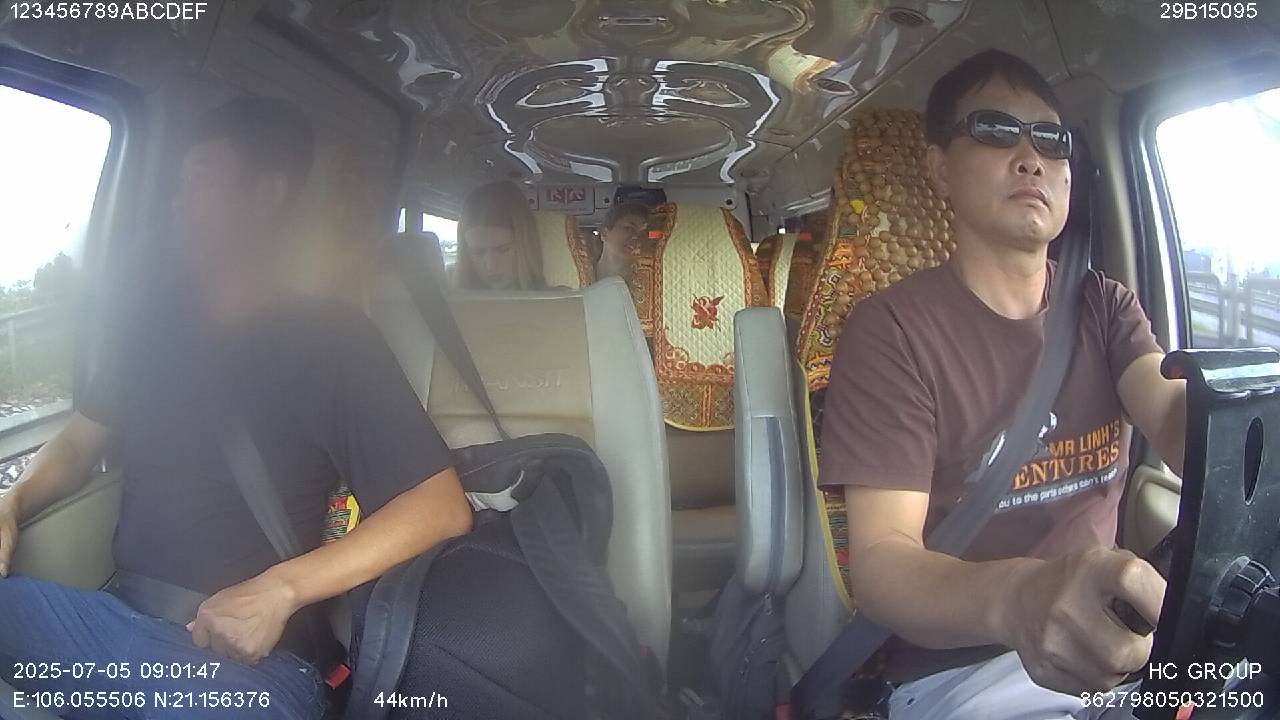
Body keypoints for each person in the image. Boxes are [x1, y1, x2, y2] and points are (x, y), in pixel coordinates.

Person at [0, 97, 473, 720]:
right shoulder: (150, 327)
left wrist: (284, 588)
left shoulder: (332, 339)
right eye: (178, 183)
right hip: (110, 625)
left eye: (199, 180)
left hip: (247, 668)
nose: (178, 200)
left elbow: (440, 507)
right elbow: (78, 442)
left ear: (265, 196)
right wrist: (12, 503)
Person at [818, 49, 1187, 718]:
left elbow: (1177, 420)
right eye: (995, 130)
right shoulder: (891, 330)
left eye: (1051, 139)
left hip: (1120, 648)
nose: (1031, 157)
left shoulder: (1106, 307)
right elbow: (883, 562)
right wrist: (1018, 597)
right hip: (960, 671)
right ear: (940, 169)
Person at [453, 180, 548, 291]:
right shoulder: (449, 301)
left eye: (503, 250)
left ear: (526, 247)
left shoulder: (560, 300)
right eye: (478, 252)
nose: (491, 266)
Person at [595, 202, 650, 283]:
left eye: (642, 233)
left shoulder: (649, 281)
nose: (636, 237)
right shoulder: (579, 276)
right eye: (628, 228)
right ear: (604, 233)